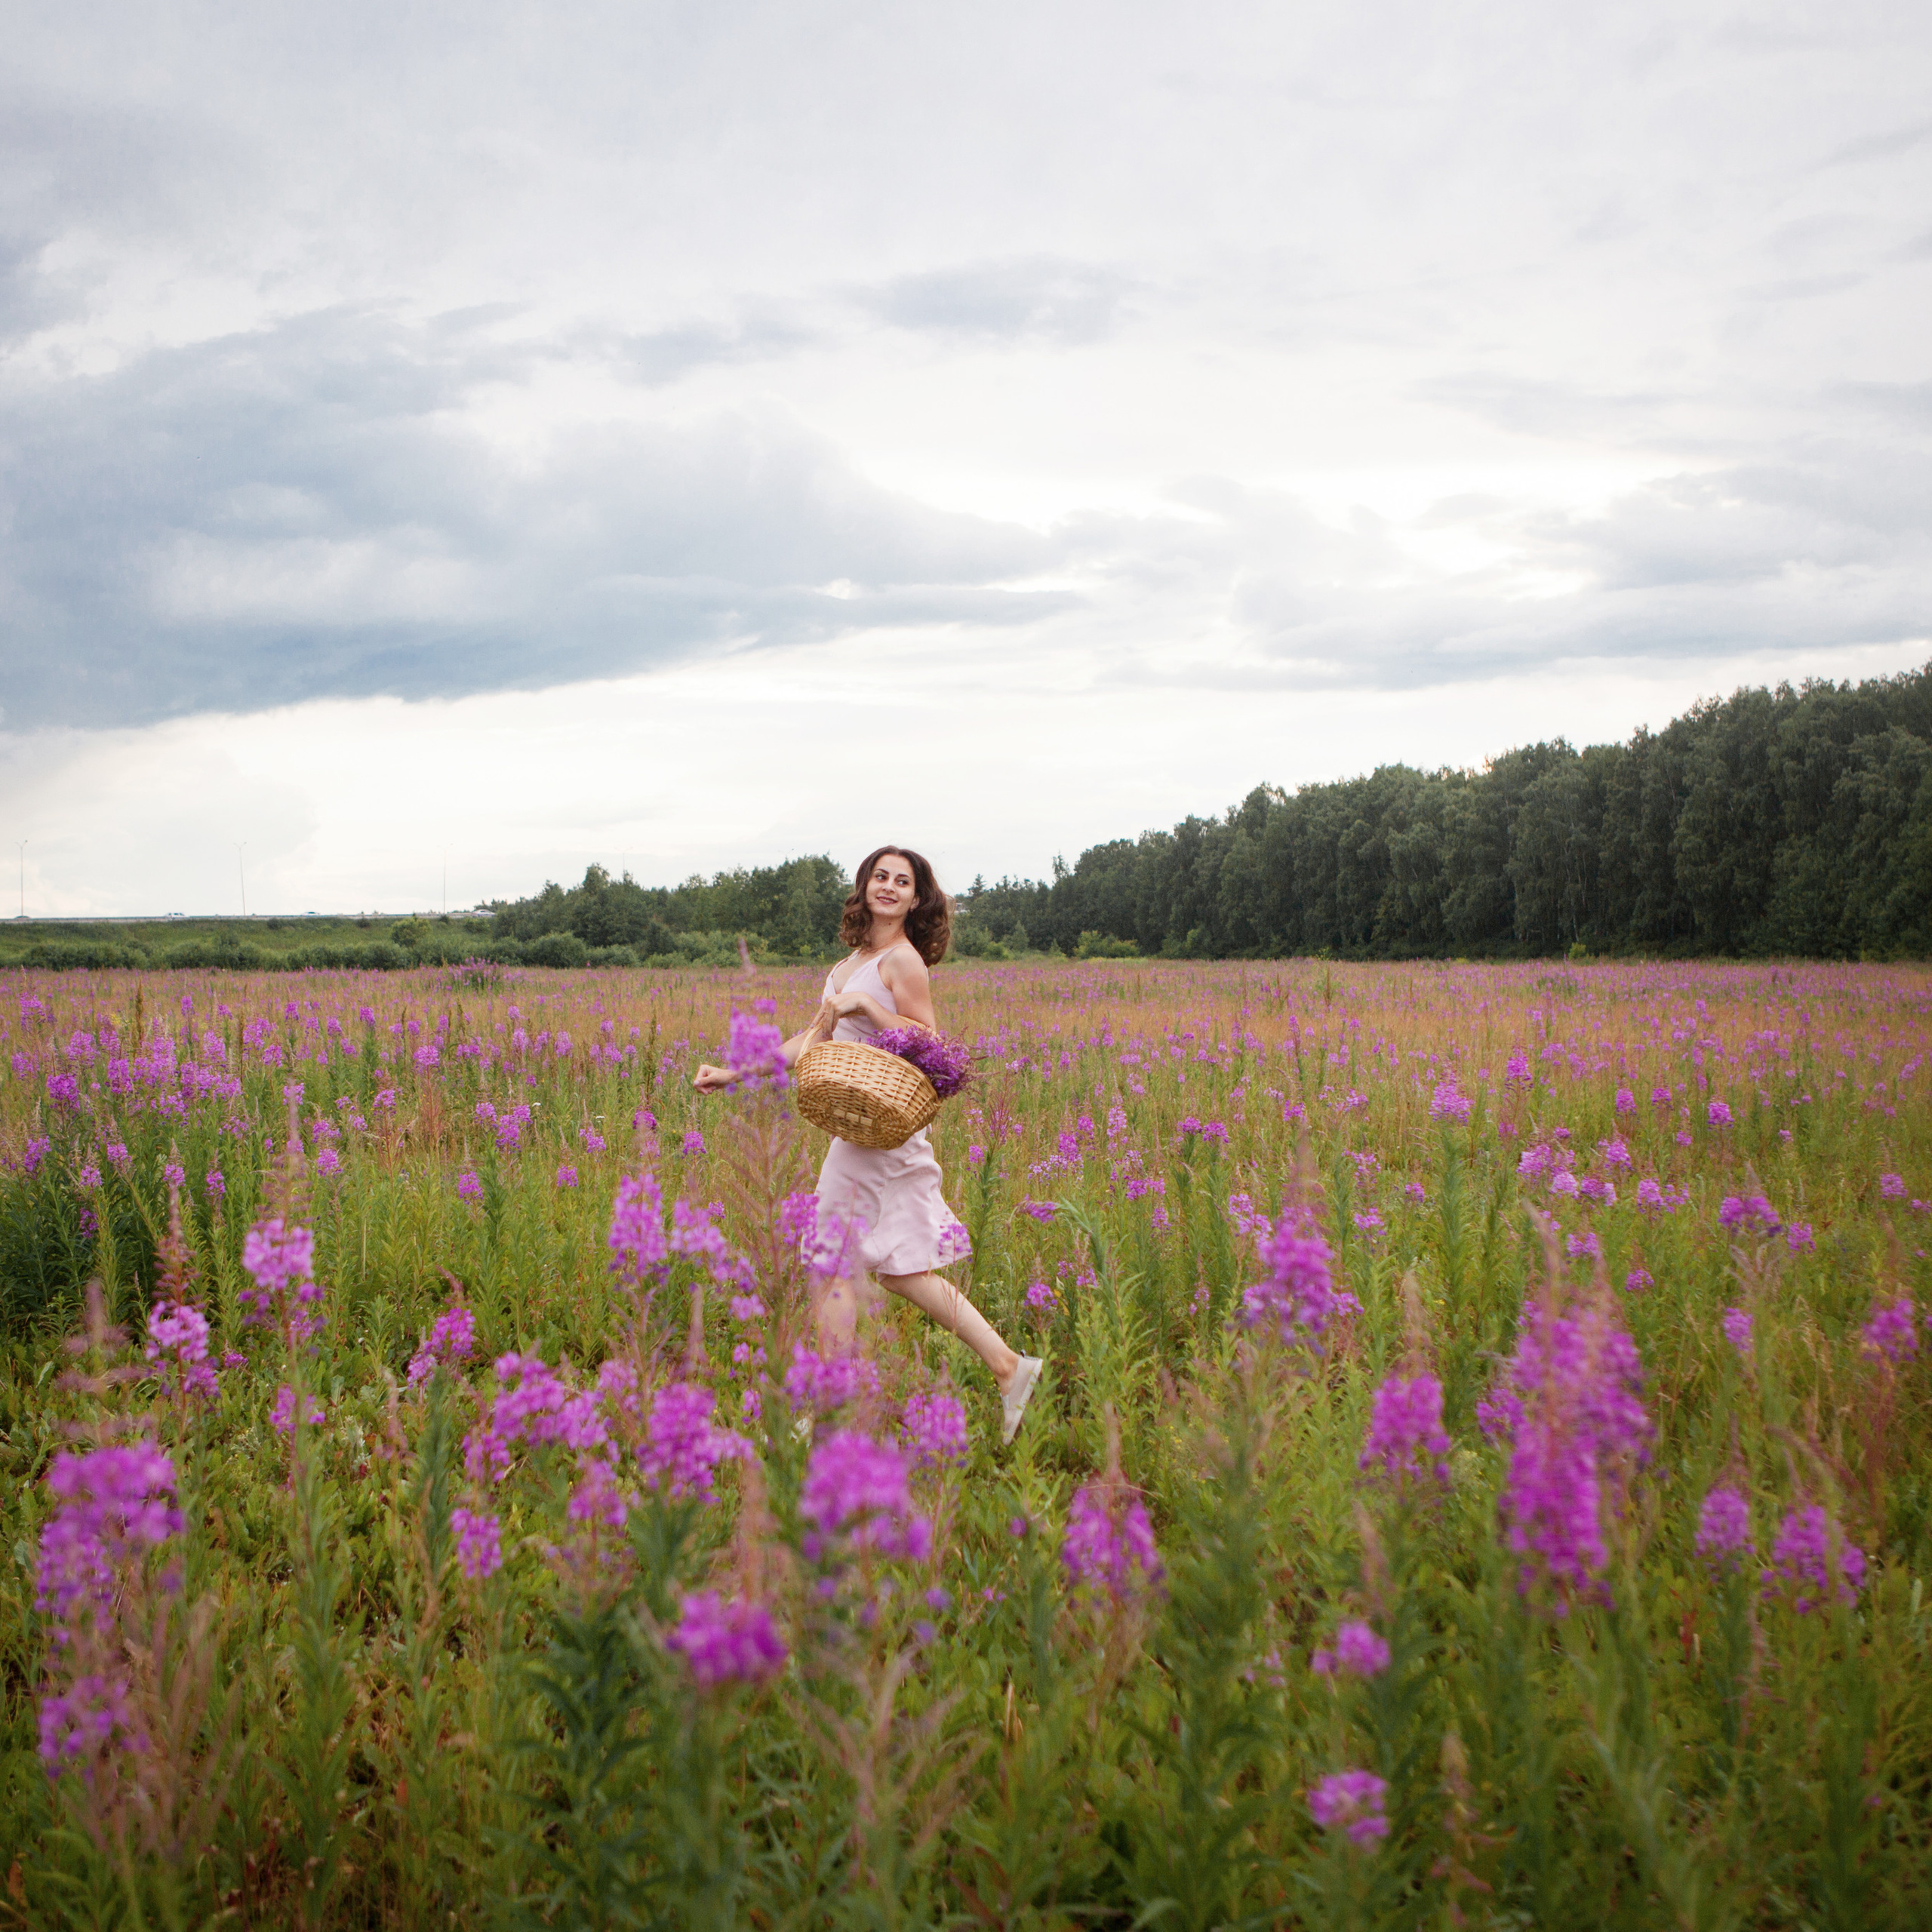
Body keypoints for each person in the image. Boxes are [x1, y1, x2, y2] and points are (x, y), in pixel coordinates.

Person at [695, 844, 1044, 1444]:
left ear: (916, 898)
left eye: (901, 881)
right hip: (864, 1126)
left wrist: (867, 1007)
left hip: (882, 1127)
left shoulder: (903, 962)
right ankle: (1009, 1367)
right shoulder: (857, 957)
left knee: (833, 1259)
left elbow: (932, 1045)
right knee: (899, 1267)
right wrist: (735, 1074)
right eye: (879, 876)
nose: (888, 886)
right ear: (865, 887)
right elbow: (813, 1040)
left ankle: (831, 1406)